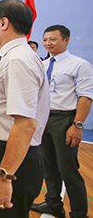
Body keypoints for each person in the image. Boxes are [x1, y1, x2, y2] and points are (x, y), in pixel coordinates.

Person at [0, 0, 49, 217]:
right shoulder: (14, 57)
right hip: (3, 150)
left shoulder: (18, 61)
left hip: (13, 164)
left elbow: (25, 125)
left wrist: (5, 177)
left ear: (3, 23)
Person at [31, 24, 93, 218]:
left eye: (53, 39)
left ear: (66, 40)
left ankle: (79, 213)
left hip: (64, 120)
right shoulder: (43, 64)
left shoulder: (79, 65)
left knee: (68, 170)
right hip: (44, 118)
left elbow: (86, 97)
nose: (48, 43)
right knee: (48, 166)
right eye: (45, 39)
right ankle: (53, 204)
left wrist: (77, 125)